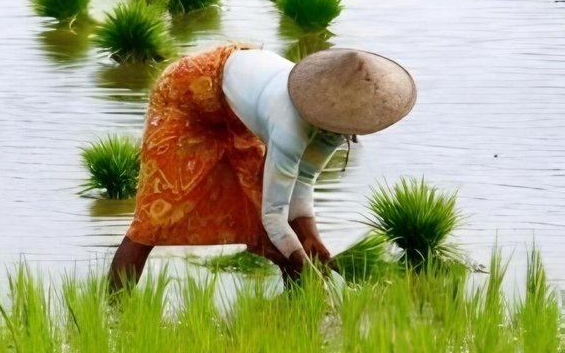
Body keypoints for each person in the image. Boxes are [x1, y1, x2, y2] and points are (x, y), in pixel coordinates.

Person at [109, 44, 416, 289]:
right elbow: (275, 215)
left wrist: (313, 242)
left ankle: (296, 314)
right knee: (154, 216)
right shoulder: (289, 126)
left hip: (236, 110)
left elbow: (304, 180)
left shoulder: (336, 125)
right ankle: (113, 317)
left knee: (261, 212)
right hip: (187, 94)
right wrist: (302, 260)